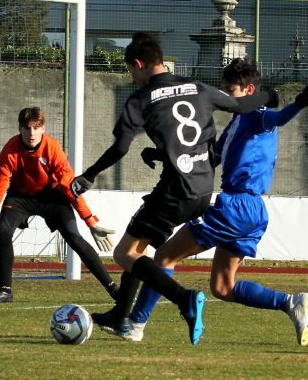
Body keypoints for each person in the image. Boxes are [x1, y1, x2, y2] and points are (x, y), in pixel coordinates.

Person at [71, 33, 277, 345]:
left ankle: (184, 299)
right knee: (140, 248)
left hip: (173, 192)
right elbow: (239, 105)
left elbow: (119, 149)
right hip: (204, 193)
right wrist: (270, 96)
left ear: (139, 64)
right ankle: (120, 314)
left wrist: (88, 175)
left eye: (131, 71)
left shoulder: (139, 100)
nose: (133, 78)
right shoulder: (197, 87)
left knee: (124, 254)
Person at [118, 58, 308, 347]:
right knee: (223, 287)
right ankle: (291, 302)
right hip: (253, 211)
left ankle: (135, 325)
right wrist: (163, 155)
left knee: (163, 257)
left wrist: (299, 103)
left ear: (249, 89)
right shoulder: (236, 122)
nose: (225, 94)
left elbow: (277, 118)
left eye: (231, 89)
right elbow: (210, 158)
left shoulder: (257, 114)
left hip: (236, 206)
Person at [0, 107, 118, 303]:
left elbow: (69, 187)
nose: (32, 133)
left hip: (52, 197)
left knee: (74, 237)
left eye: (36, 128)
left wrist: (90, 221)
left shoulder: (52, 148)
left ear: (43, 128)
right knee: (3, 231)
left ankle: (113, 289)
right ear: (20, 128)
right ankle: (5, 290)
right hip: (20, 198)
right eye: (27, 128)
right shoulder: (10, 150)